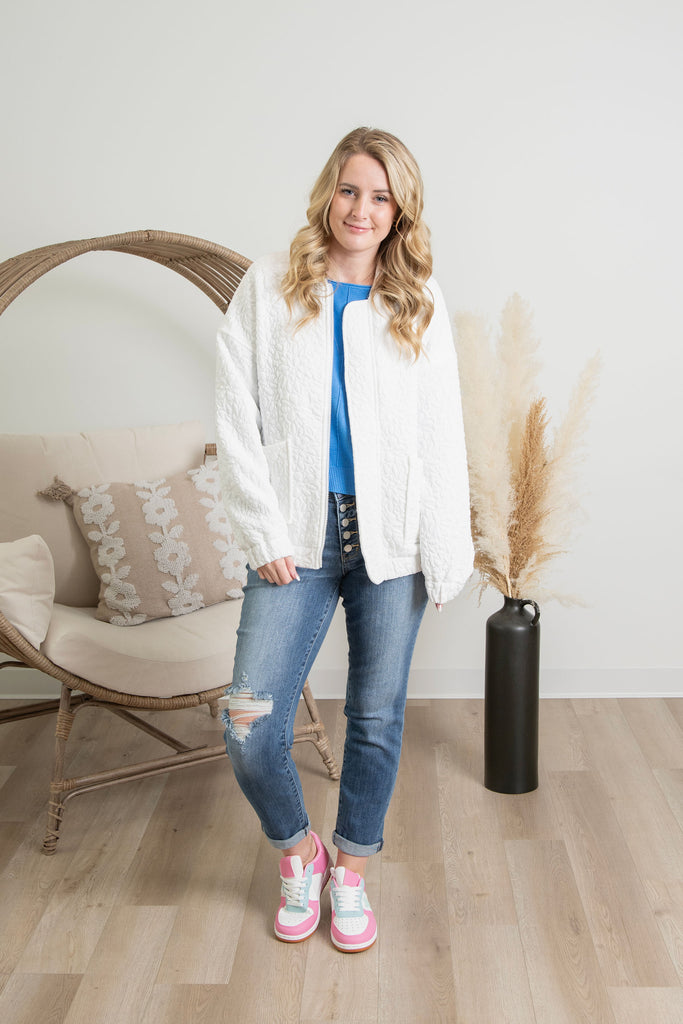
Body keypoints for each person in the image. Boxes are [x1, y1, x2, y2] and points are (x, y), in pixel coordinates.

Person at [215, 126, 473, 952]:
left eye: (380, 196)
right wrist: (260, 527)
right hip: (296, 533)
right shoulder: (269, 286)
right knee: (248, 722)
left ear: (400, 212)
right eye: (350, 189)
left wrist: (447, 549)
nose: (361, 209)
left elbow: (440, 432)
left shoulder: (416, 299)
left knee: (375, 715)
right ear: (329, 191)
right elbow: (234, 415)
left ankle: (351, 872)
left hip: (392, 538)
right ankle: (300, 853)